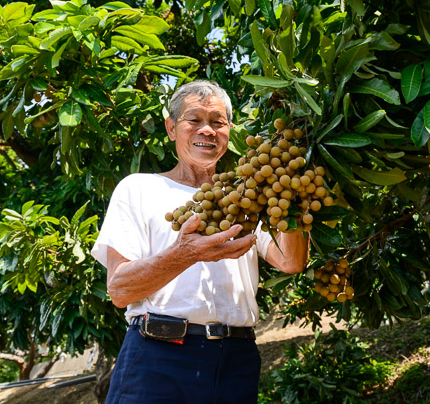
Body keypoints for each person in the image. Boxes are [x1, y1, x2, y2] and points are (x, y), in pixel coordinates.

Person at [91, 80, 309, 404]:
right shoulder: (137, 188)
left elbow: (291, 262)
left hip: (236, 359)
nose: (207, 130)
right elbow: (120, 289)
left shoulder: (249, 195)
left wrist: (291, 195)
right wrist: (185, 255)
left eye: (218, 122)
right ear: (171, 128)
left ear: (229, 131)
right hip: (157, 357)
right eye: (194, 120)